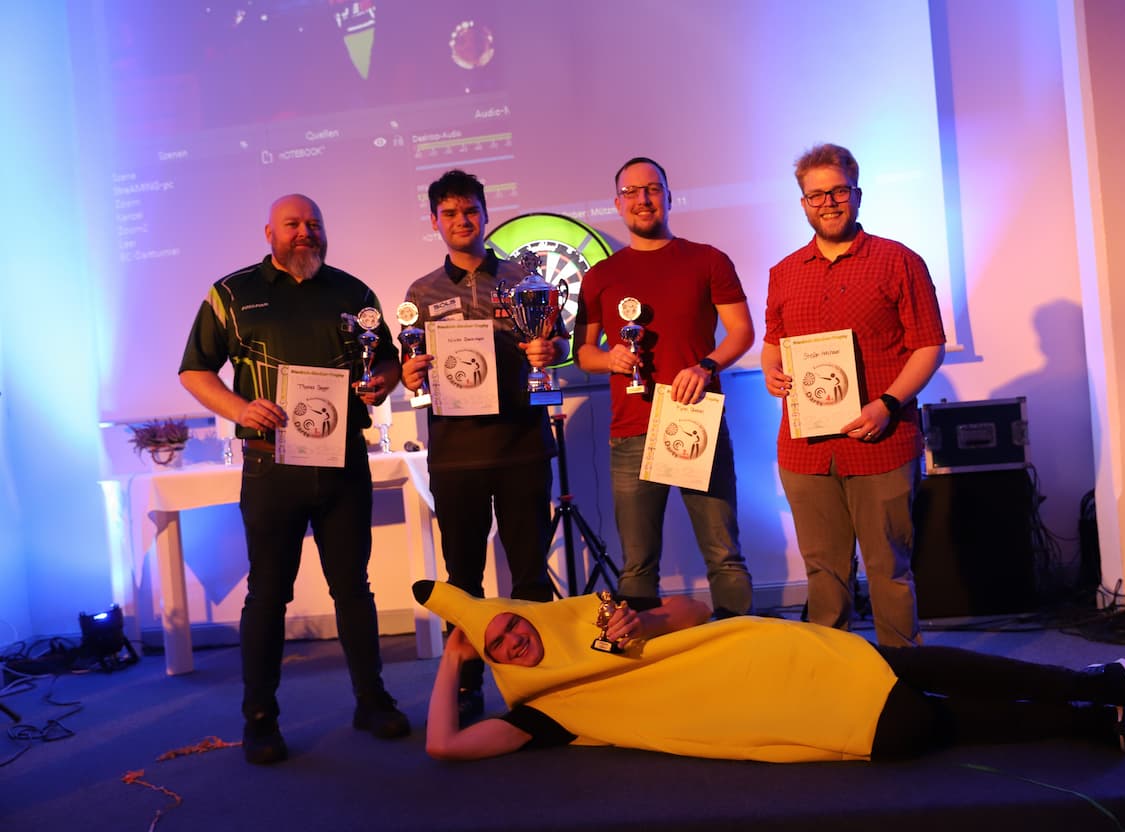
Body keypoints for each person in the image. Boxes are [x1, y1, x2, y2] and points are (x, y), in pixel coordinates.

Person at [178, 194, 410, 765]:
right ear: (269, 233)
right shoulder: (231, 294)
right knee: (268, 595)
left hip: (343, 461)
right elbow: (194, 370)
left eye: (314, 224)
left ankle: (372, 701)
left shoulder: (355, 294)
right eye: (293, 224)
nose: (305, 232)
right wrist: (240, 409)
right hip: (271, 464)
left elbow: (387, 360)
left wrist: (382, 382)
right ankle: (260, 718)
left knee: (353, 588)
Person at [414, 580, 1125, 762]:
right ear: (493, 660)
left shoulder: (596, 614)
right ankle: (1087, 721)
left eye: (510, 624)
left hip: (783, 655)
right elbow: (444, 745)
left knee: (921, 667)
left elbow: (696, 609)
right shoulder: (542, 712)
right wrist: (451, 659)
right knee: (927, 719)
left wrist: (648, 625)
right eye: (497, 646)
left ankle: (1091, 689)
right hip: (787, 712)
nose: (514, 642)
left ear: (522, 613)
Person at [762, 143, 947, 647]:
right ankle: (836, 676)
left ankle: (901, 675)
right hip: (805, 450)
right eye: (816, 195)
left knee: (889, 569)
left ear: (857, 194)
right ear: (803, 203)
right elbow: (773, 345)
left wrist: (887, 405)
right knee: (823, 574)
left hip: (881, 445)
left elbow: (929, 345)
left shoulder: (899, 261)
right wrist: (771, 373)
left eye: (838, 191)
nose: (828, 203)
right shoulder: (784, 272)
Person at [400, 169, 567, 722]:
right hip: (456, 456)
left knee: (530, 574)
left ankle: (542, 686)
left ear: (485, 213)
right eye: (449, 213)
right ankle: (468, 685)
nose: (461, 221)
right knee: (463, 582)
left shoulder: (525, 279)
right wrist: (411, 373)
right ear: (434, 221)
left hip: (522, 447)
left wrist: (549, 351)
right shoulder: (420, 293)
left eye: (470, 210)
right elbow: (411, 365)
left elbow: (558, 343)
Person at [573, 157, 754, 617]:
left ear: (669, 197)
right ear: (617, 204)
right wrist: (610, 358)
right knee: (637, 566)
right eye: (631, 192)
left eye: (652, 189)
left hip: (697, 421)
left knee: (725, 557)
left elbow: (742, 332)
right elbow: (584, 353)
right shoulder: (600, 276)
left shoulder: (708, 260)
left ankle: (741, 648)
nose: (643, 199)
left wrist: (706, 366)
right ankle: (643, 654)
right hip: (631, 429)